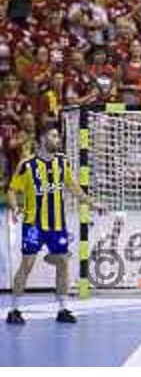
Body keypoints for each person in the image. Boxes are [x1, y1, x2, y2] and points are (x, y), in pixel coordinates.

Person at [6, 122, 102, 325]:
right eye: (53, 136)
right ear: (42, 139)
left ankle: (63, 309)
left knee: (63, 264)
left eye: (58, 136)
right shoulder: (27, 165)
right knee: (27, 265)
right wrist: (15, 208)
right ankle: (14, 310)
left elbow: (75, 189)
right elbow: (12, 190)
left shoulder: (62, 163)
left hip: (57, 225)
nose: (57, 140)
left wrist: (93, 204)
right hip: (33, 224)